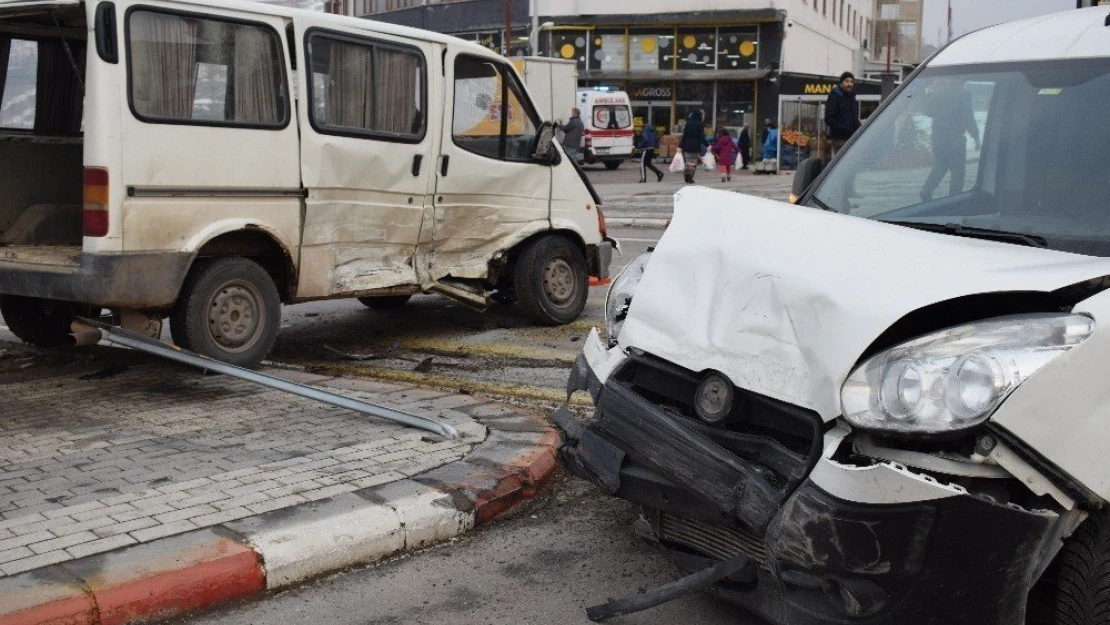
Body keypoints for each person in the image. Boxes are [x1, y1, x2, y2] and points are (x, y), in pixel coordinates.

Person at [920, 78, 981, 202]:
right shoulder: (963, 94)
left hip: (937, 136)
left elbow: (928, 112)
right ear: (963, 80)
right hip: (955, 137)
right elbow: (968, 117)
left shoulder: (939, 92)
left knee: (941, 164)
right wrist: (976, 137)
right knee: (958, 169)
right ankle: (954, 198)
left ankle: (926, 190)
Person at [824, 71, 861, 163]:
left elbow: (854, 118)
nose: (849, 84)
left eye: (851, 82)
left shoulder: (852, 98)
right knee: (842, 163)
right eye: (847, 81)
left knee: (851, 163)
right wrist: (843, 128)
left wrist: (861, 129)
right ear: (841, 82)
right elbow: (829, 118)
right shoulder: (834, 96)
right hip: (839, 139)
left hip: (851, 138)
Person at [679, 109, 709, 184]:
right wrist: (707, 145)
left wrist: (680, 146)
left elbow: (684, 136)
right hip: (695, 146)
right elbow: (701, 137)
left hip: (687, 145)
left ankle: (686, 174)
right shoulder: (700, 124)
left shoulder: (688, 123)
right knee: (693, 163)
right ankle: (690, 177)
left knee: (688, 162)